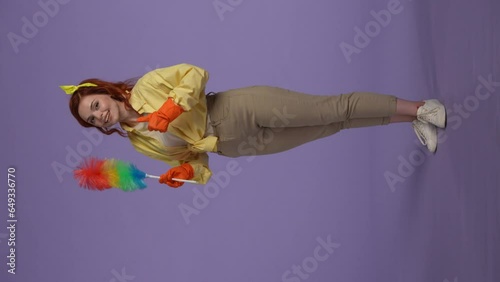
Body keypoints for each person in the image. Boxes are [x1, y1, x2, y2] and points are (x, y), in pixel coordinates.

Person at [62, 63, 446, 188]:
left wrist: (171, 106)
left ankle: (422, 108)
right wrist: (186, 171)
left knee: (333, 108)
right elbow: (198, 161)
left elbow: (195, 74)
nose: (99, 115)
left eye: (96, 105)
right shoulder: (139, 144)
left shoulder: (147, 86)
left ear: (108, 94)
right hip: (236, 145)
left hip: (235, 110)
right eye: (92, 119)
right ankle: (408, 119)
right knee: (335, 126)